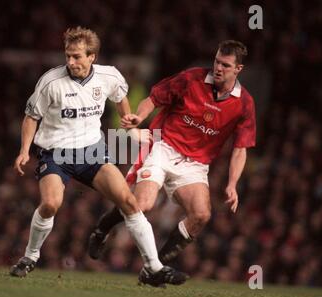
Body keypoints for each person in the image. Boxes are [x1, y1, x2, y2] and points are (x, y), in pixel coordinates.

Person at [9, 26, 188, 287]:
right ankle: (30, 257)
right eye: (68, 56)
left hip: (92, 152)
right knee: (50, 204)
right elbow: (31, 116)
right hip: (55, 153)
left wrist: (131, 128)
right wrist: (25, 150)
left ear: (92, 56)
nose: (71, 62)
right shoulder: (51, 82)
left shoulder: (109, 76)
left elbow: (120, 97)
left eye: (77, 56)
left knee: (129, 200)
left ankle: (154, 267)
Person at [88, 40, 256, 268]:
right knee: (142, 204)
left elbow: (240, 148)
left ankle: (156, 267)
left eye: (225, 65)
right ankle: (102, 228)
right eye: (217, 61)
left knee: (201, 215)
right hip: (162, 147)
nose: (218, 68)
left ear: (238, 69)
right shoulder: (191, 79)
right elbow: (153, 99)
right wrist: (139, 118)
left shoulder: (244, 103)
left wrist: (232, 184)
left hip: (194, 164)